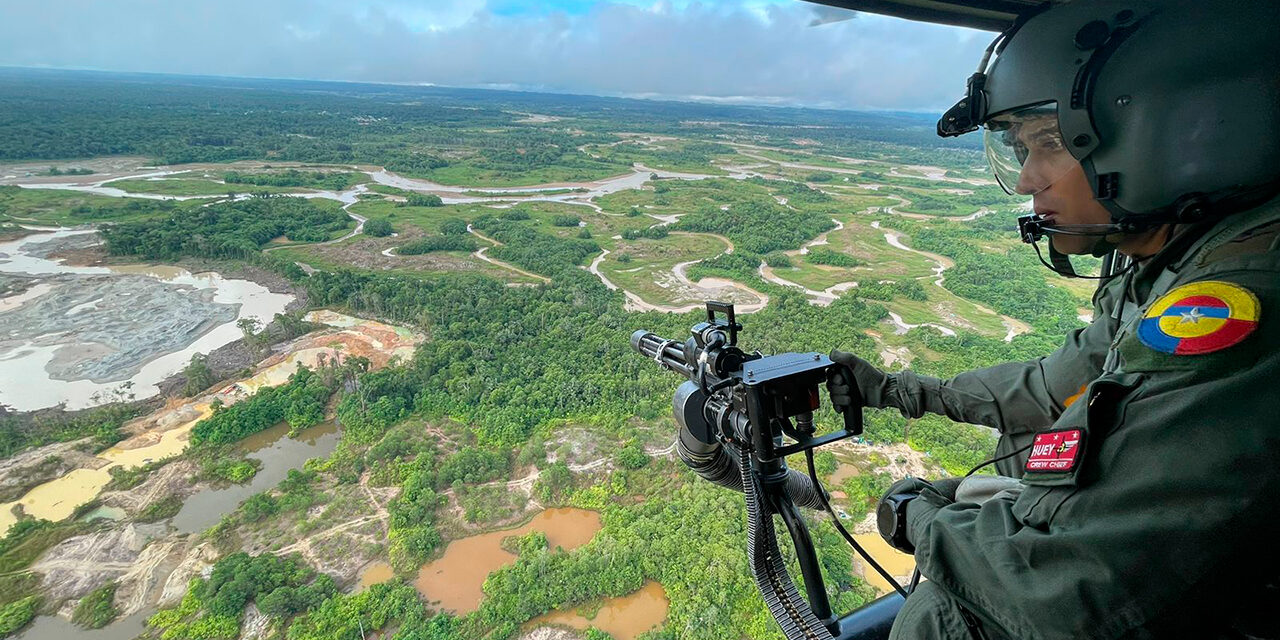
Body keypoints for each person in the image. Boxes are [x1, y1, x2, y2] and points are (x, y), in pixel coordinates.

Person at [826, 0, 1280, 638]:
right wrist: (898, 392)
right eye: (1021, 148)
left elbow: (1066, 597)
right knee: (1018, 454)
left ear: (1169, 131)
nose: (1027, 180)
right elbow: (1054, 387)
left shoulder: (1243, 299)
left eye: (1050, 143)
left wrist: (917, 516)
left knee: (948, 620)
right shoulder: (1167, 263)